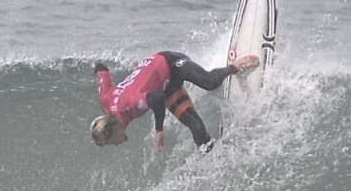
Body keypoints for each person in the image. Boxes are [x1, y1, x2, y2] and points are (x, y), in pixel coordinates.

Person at [90, 51, 260, 154]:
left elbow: (157, 99)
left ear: (114, 130)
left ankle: (234, 67)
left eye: (111, 142)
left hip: (169, 63)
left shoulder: (130, 106)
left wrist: (159, 130)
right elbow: (100, 67)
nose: (115, 145)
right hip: (166, 86)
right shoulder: (105, 99)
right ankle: (214, 155)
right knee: (197, 128)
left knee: (209, 82)